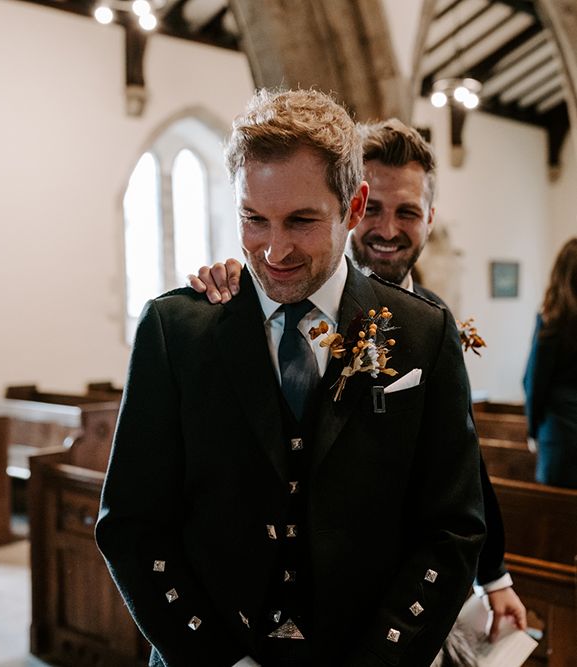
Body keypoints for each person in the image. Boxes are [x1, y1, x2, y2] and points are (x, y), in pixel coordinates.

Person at [96, 90, 486, 667]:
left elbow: (451, 527)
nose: (273, 250)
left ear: (352, 208)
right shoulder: (175, 330)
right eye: (253, 219)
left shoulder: (422, 333)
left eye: (302, 221)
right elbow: (132, 524)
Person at [190, 118, 527, 643]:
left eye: (408, 212)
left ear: (430, 219)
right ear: (350, 206)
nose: (387, 230)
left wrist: (494, 573)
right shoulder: (281, 297)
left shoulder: (433, 323)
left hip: (386, 606)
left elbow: (459, 466)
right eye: (373, 209)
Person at [523, 237, 577, 489]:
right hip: (559, 431)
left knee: (555, 516)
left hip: (560, 434)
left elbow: (534, 381)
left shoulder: (552, 317)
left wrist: (532, 430)